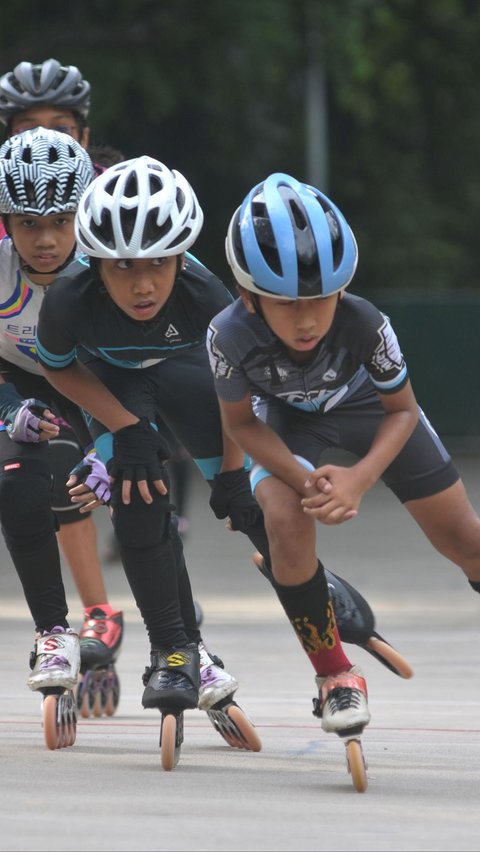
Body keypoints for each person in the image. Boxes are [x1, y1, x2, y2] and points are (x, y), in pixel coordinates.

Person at [35, 156, 412, 724]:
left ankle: (326, 634)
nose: (142, 285)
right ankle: (175, 650)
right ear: (93, 263)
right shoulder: (69, 298)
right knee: (138, 501)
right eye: (122, 268)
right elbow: (60, 369)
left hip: (191, 368)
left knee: (256, 507)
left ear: (182, 256)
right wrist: (125, 429)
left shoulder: (206, 296)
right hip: (112, 383)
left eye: (159, 264)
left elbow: (240, 407)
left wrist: (233, 474)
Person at [205, 171, 480, 737]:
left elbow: (402, 411)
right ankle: (335, 677)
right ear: (248, 297)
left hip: (367, 409)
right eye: (287, 304)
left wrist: (356, 480)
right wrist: (301, 481)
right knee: (282, 515)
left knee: (467, 543)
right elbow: (238, 425)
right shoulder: (226, 335)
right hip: (282, 421)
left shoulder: (364, 321)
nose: (307, 319)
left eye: (320, 299)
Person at [0, 59, 127, 691]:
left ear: (84, 133)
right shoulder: (8, 192)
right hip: (20, 360)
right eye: (28, 126)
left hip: (96, 361)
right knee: (40, 473)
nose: (46, 138)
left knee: (125, 473)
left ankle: (136, 616)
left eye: (61, 127)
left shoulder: (110, 195)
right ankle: (84, 618)